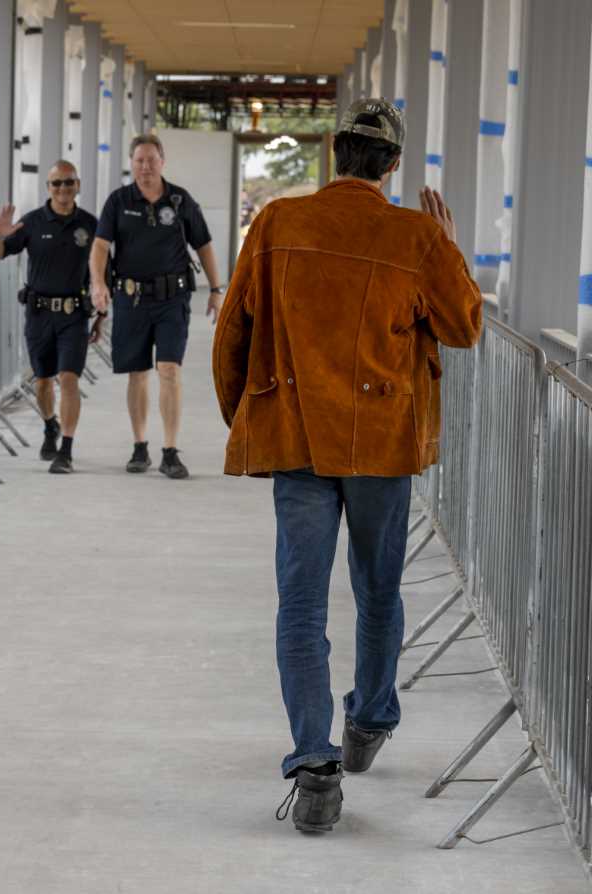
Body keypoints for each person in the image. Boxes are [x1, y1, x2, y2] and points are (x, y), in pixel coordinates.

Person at [212, 99, 482, 834]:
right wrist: (446, 248)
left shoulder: (276, 223)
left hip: (296, 438)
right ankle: (369, 716)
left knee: (300, 605)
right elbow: (464, 327)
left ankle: (313, 762)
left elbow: (231, 328)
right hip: (381, 445)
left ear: (336, 154)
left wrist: (247, 415)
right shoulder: (416, 235)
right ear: (391, 165)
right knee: (377, 590)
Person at [89, 133, 223, 480]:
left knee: (169, 369)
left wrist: (216, 289)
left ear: (162, 162)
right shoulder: (118, 201)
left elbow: (204, 245)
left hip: (172, 299)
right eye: (139, 161)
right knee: (137, 373)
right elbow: (101, 246)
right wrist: (98, 283)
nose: (145, 166)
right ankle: (139, 446)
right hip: (131, 298)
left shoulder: (180, 201)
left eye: (151, 160)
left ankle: (170, 450)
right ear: (131, 164)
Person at [0, 160, 103, 473]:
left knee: (68, 378)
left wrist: (101, 315)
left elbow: (104, 270)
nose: (63, 189)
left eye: (69, 182)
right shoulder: (33, 223)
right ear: (48, 188)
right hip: (39, 316)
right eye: (57, 183)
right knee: (42, 382)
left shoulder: (91, 225)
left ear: (78, 185)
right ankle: (50, 425)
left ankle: (65, 449)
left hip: (74, 316)